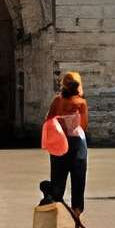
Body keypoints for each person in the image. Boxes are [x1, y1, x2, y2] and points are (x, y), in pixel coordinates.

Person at [41, 70, 90, 213]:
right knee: (78, 180)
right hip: (77, 145)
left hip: (59, 145)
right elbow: (84, 125)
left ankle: (53, 201)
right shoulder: (81, 103)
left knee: (57, 180)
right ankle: (77, 212)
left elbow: (48, 120)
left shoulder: (57, 101)